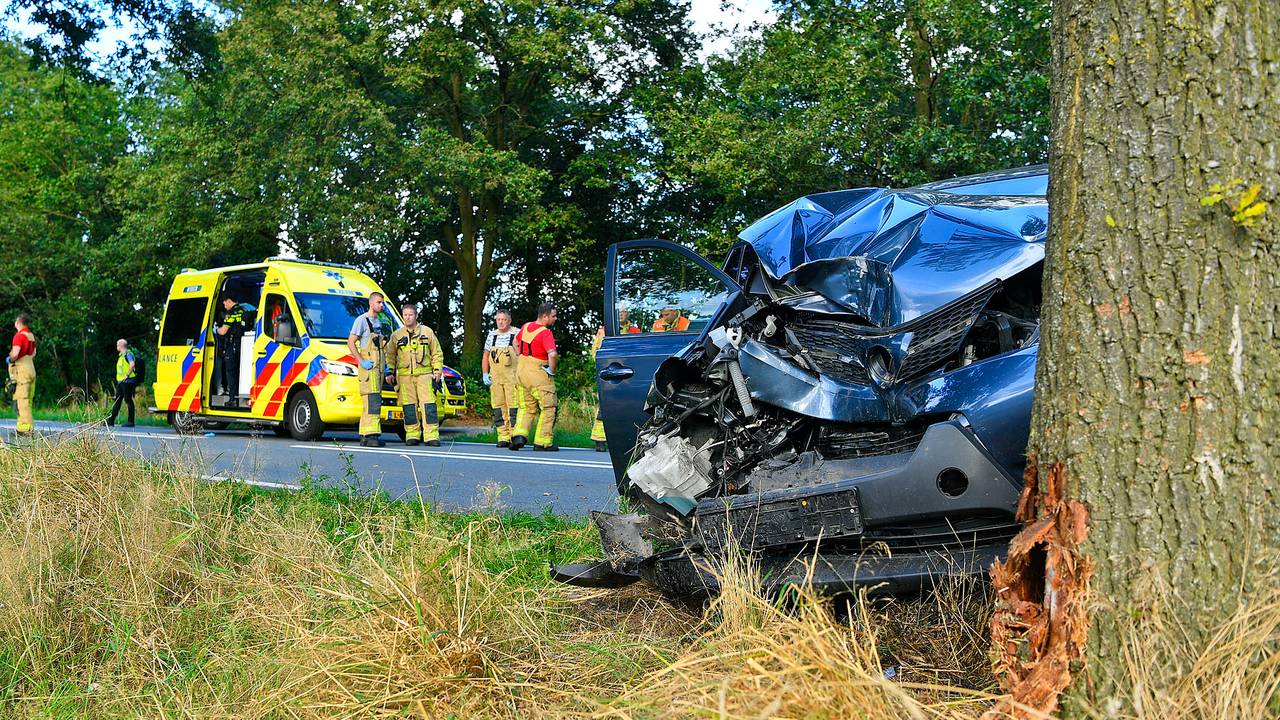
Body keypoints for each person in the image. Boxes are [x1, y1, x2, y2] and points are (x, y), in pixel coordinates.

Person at [385, 303, 444, 446]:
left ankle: (431, 436)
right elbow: (390, 356)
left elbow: (436, 353)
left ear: (416, 316)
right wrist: (390, 372)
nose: (408, 317)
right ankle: (412, 434)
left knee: (429, 406)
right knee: (409, 407)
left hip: (424, 375)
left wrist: (437, 371)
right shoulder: (396, 335)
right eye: (405, 315)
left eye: (410, 315)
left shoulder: (427, 332)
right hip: (405, 377)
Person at [510, 303, 558, 451]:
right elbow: (553, 354)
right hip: (538, 373)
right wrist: (551, 370)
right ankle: (542, 442)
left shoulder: (526, 326)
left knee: (526, 407)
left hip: (521, 371)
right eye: (553, 316)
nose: (555, 319)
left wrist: (521, 356)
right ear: (545, 317)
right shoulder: (545, 333)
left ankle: (519, 436)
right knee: (548, 407)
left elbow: (515, 342)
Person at [348, 292, 387, 447]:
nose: (381, 305)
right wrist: (361, 361)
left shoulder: (380, 322)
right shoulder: (362, 320)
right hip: (369, 369)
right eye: (379, 302)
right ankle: (371, 435)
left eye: (383, 303)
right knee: (372, 402)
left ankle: (365, 435)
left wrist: (386, 366)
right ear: (371, 303)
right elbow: (351, 342)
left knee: (372, 401)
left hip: (378, 369)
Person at [481, 309, 520, 448]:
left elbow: (522, 355)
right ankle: (502, 436)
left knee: (513, 407)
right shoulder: (492, 335)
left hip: (513, 378)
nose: (501, 322)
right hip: (496, 378)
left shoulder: (517, 333)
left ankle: (515, 435)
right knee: (498, 407)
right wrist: (485, 373)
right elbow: (486, 355)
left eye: (504, 319)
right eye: (498, 319)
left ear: (509, 320)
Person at [215, 295, 254, 407]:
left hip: (233, 346)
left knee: (231, 372)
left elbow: (223, 331)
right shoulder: (245, 310)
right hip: (245, 346)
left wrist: (215, 329)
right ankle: (240, 396)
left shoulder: (231, 313)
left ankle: (232, 399)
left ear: (229, 301)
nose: (224, 305)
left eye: (224, 303)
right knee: (241, 372)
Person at [7, 314, 36, 435]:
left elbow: (15, 353)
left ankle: (26, 429)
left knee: (21, 399)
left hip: (22, 370)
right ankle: (21, 427)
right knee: (28, 399)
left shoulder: (19, 336)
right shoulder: (31, 336)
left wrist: (10, 359)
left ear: (18, 322)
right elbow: (34, 353)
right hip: (31, 368)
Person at [107, 339, 138, 427]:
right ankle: (111, 420)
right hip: (121, 382)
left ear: (121, 345)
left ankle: (131, 422)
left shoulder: (128, 354)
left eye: (117, 345)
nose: (117, 347)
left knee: (128, 400)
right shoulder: (121, 356)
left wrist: (127, 375)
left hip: (127, 382)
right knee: (117, 400)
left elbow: (132, 364)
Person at [589, 325, 607, 452]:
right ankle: (599, 439)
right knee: (604, 406)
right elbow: (595, 352)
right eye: (620, 312)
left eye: (624, 311)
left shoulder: (634, 331)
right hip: (608, 370)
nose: (622, 314)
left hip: (629, 369)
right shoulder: (603, 331)